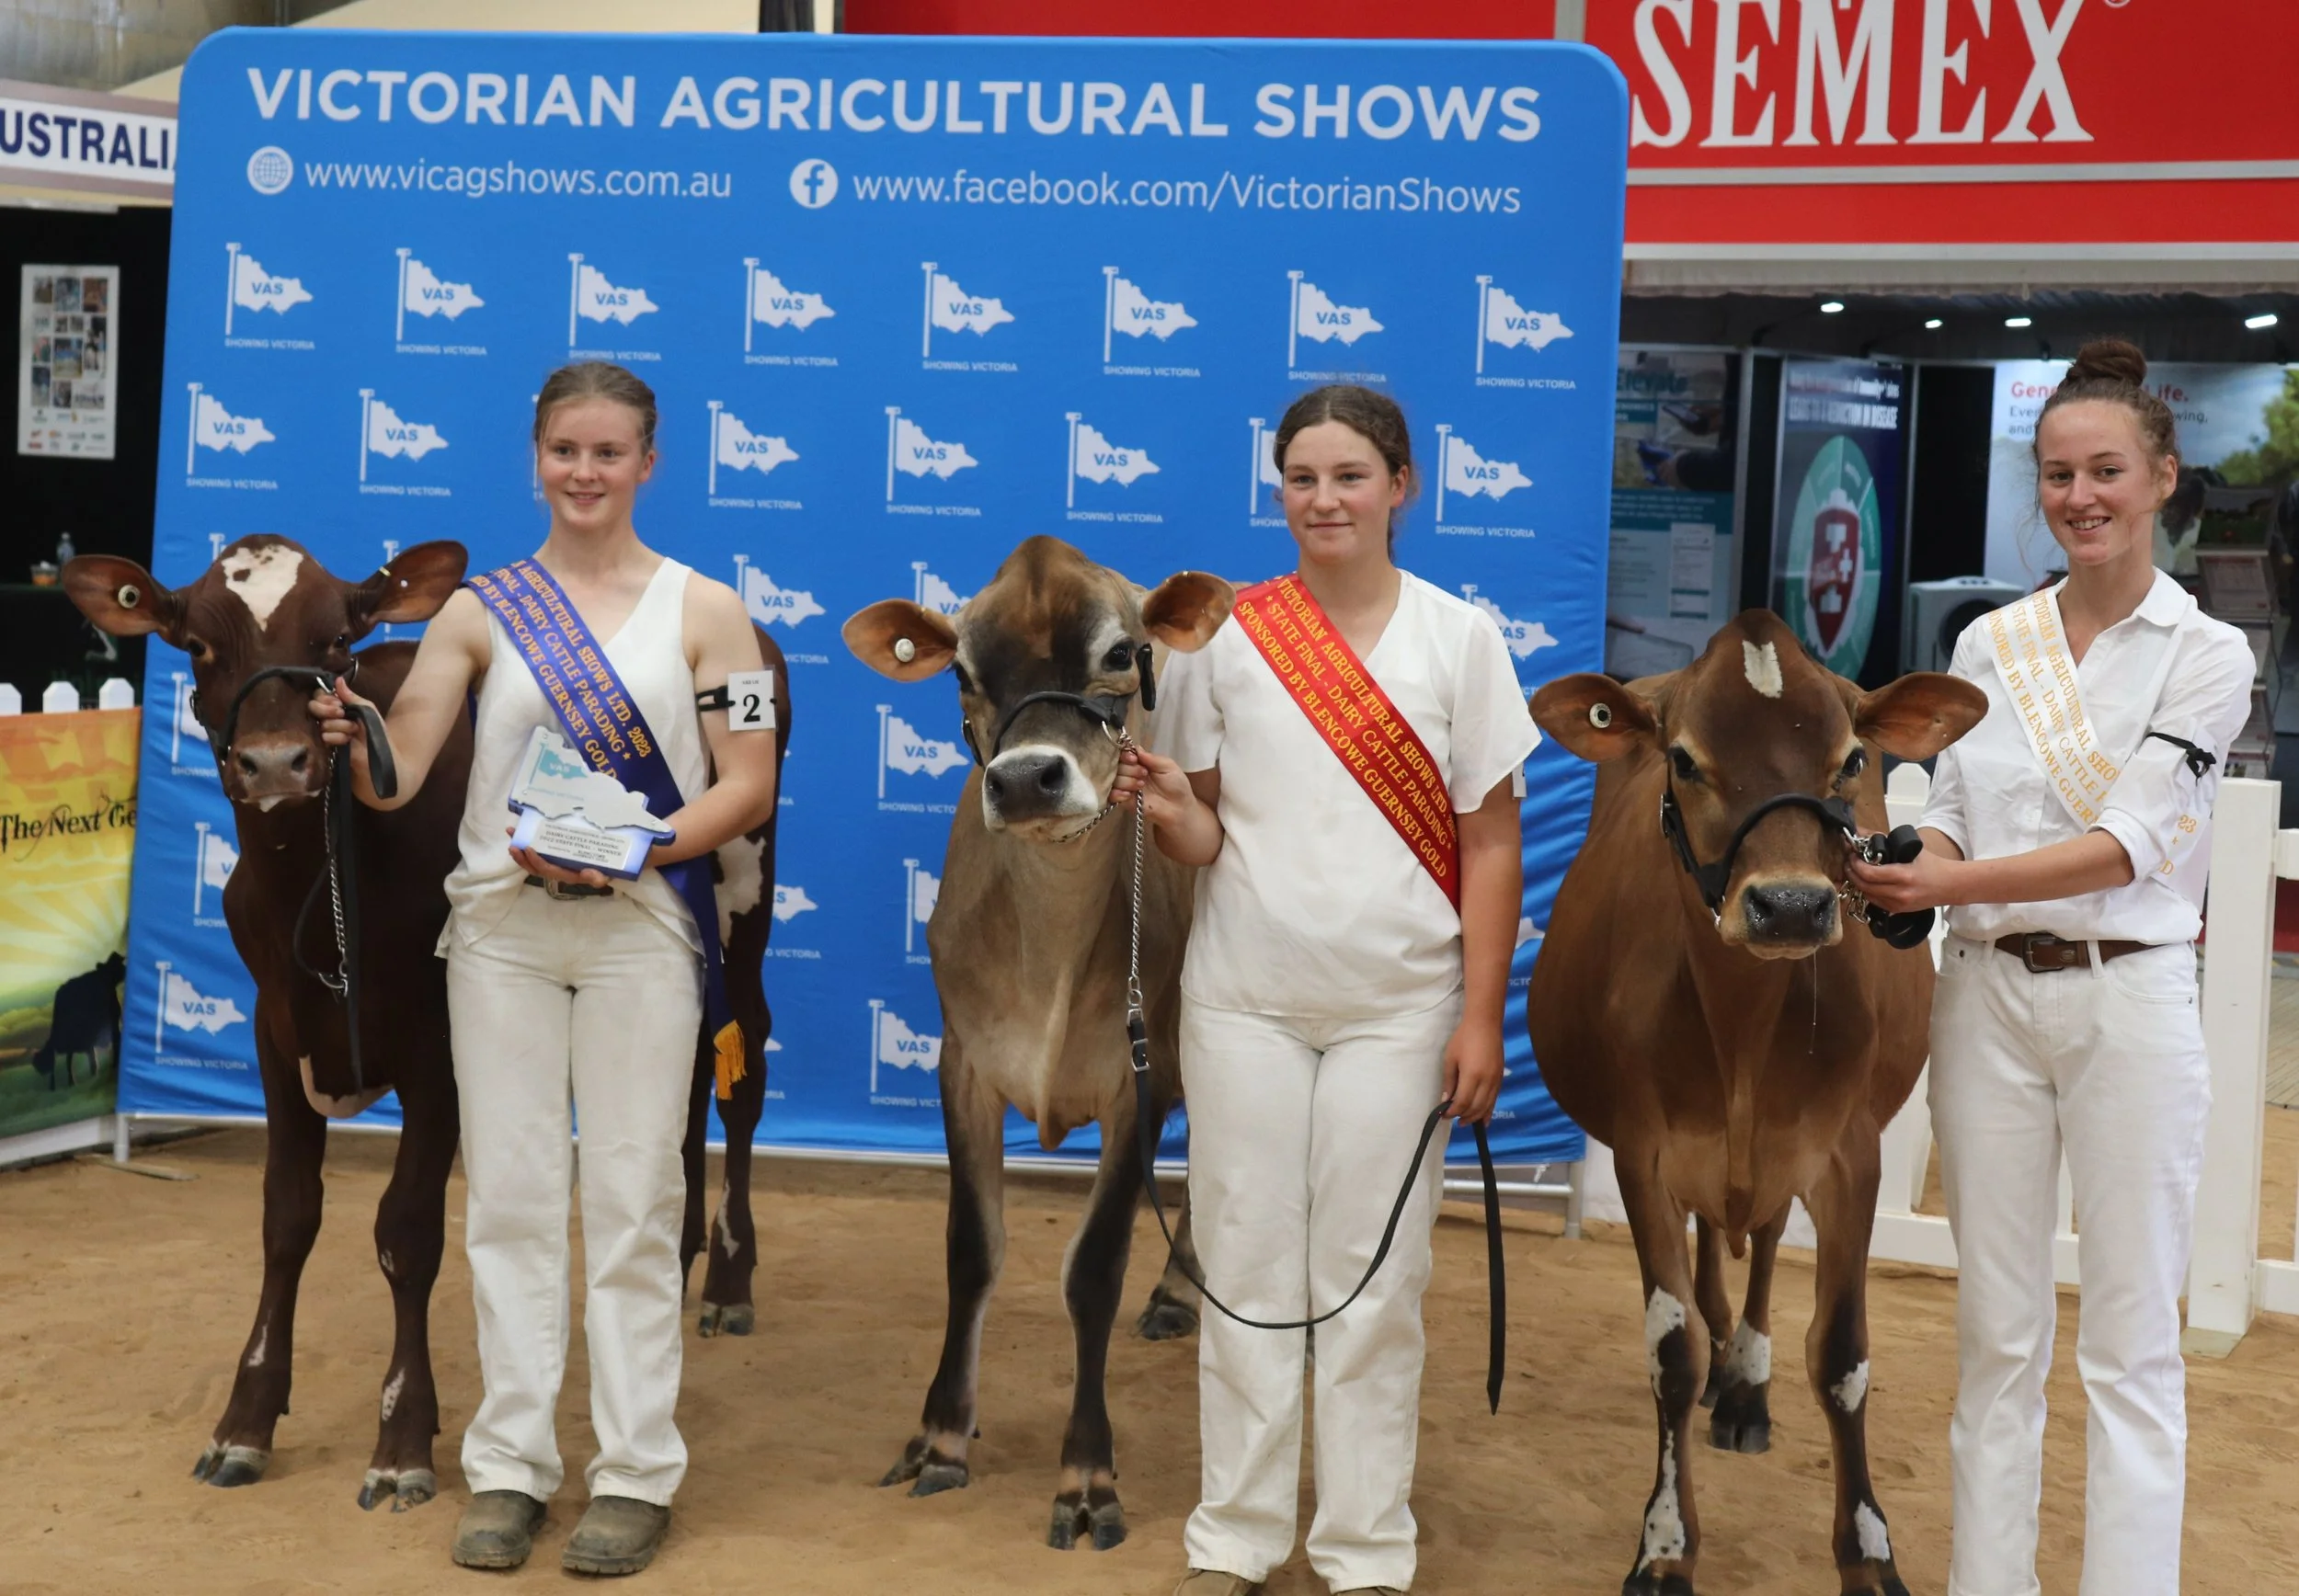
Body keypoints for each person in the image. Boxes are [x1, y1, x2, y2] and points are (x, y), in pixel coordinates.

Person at [311, 362, 777, 1577]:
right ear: (536, 459)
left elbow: (747, 782)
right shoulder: (475, 613)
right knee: (513, 1202)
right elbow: (401, 765)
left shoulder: (709, 613)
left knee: (633, 1205)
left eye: (608, 452)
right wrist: (347, 738)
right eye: (565, 450)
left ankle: (633, 1474)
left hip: (642, 932)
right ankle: (511, 1469)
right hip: (505, 935)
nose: (584, 472)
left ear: (648, 464)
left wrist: (642, 845)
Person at [1115, 384, 1538, 1596]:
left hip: (1400, 1012)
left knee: (1375, 1281)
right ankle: (1235, 1537)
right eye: (1302, 478)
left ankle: (1362, 1549)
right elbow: (1203, 840)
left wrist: (1476, 1019)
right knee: (1244, 1268)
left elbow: (1493, 843)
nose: (1324, 499)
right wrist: (1168, 806)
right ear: (1278, 490)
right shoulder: (1228, 637)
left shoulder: (1459, 639)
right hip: (1242, 999)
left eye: (1350, 475)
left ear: (1403, 486)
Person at [1849, 338, 2254, 1596]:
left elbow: (2127, 846)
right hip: (1986, 1005)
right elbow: (1959, 808)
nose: (2081, 496)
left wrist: (1944, 884)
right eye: (2058, 474)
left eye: (2107, 472)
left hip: (2131, 999)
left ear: (2162, 480)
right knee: (1996, 1336)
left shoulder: (2208, 655)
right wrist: (1908, 853)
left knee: (2132, 1345)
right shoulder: (1991, 646)